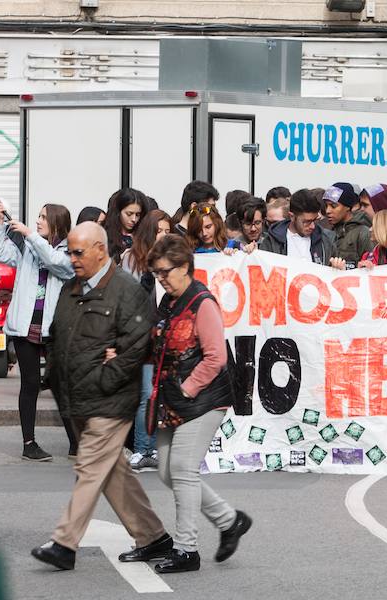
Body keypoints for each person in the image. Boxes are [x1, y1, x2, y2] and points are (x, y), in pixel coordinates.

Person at [31, 222, 171, 572]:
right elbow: (57, 334)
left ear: (100, 249)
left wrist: (103, 377)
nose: (72, 259)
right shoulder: (71, 287)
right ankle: (154, 538)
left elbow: (137, 346)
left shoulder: (127, 290)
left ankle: (65, 543)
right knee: (112, 473)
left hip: (111, 399)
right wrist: (56, 376)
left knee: (90, 467)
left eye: (79, 252)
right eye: (70, 252)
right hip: (77, 397)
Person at [145, 234, 252, 573]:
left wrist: (188, 390)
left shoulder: (202, 303)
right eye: (157, 273)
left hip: (203, 399)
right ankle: (229, 521)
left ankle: (186, 549)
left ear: (185, 267)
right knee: (166, 472)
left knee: (182, 471)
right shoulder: (170, 301)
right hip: (174, 399)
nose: (161, 279)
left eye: (165, 272)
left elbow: (216, 357)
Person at [0, 200, 77, 462]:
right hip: (25, 327)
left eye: (43, 217)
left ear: (57, 224)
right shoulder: (28, 247)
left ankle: (76, 443)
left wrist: (29, 235)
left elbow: (56, 264)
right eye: (37, 216)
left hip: (53, 330)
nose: (38, 221)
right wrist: (1, 223)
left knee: (62, 386)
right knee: (29, 385)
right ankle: (29, 444)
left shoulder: (68, 252)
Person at [120, 209, 172, 473]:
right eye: (159, 230)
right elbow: (126, 298)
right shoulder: (132, 259)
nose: (163, 235)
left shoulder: (172, 259)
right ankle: (143, 449)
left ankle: (154, 448)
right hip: (140, 337)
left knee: (158, 396)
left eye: (167, 230)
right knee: (145, 395)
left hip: (165, 335)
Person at [259, 188, 338, 265]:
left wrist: (337, 268)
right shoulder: (271, 241)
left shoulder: (326, 240)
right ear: (292, 216)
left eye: (315, 220)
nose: (312, 226)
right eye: (306, 222)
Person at [323, 182, 373, 269]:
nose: (328, 211)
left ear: (347, 207)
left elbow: (370, 266)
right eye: (326, 206)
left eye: (333, 206)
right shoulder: (324, 230)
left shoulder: (363, 232)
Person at [105, 188, 147, 263]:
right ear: (118, 212)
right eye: (129, 214)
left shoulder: (143, 235)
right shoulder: (105, 236)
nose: (134, 219)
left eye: (137, 215)